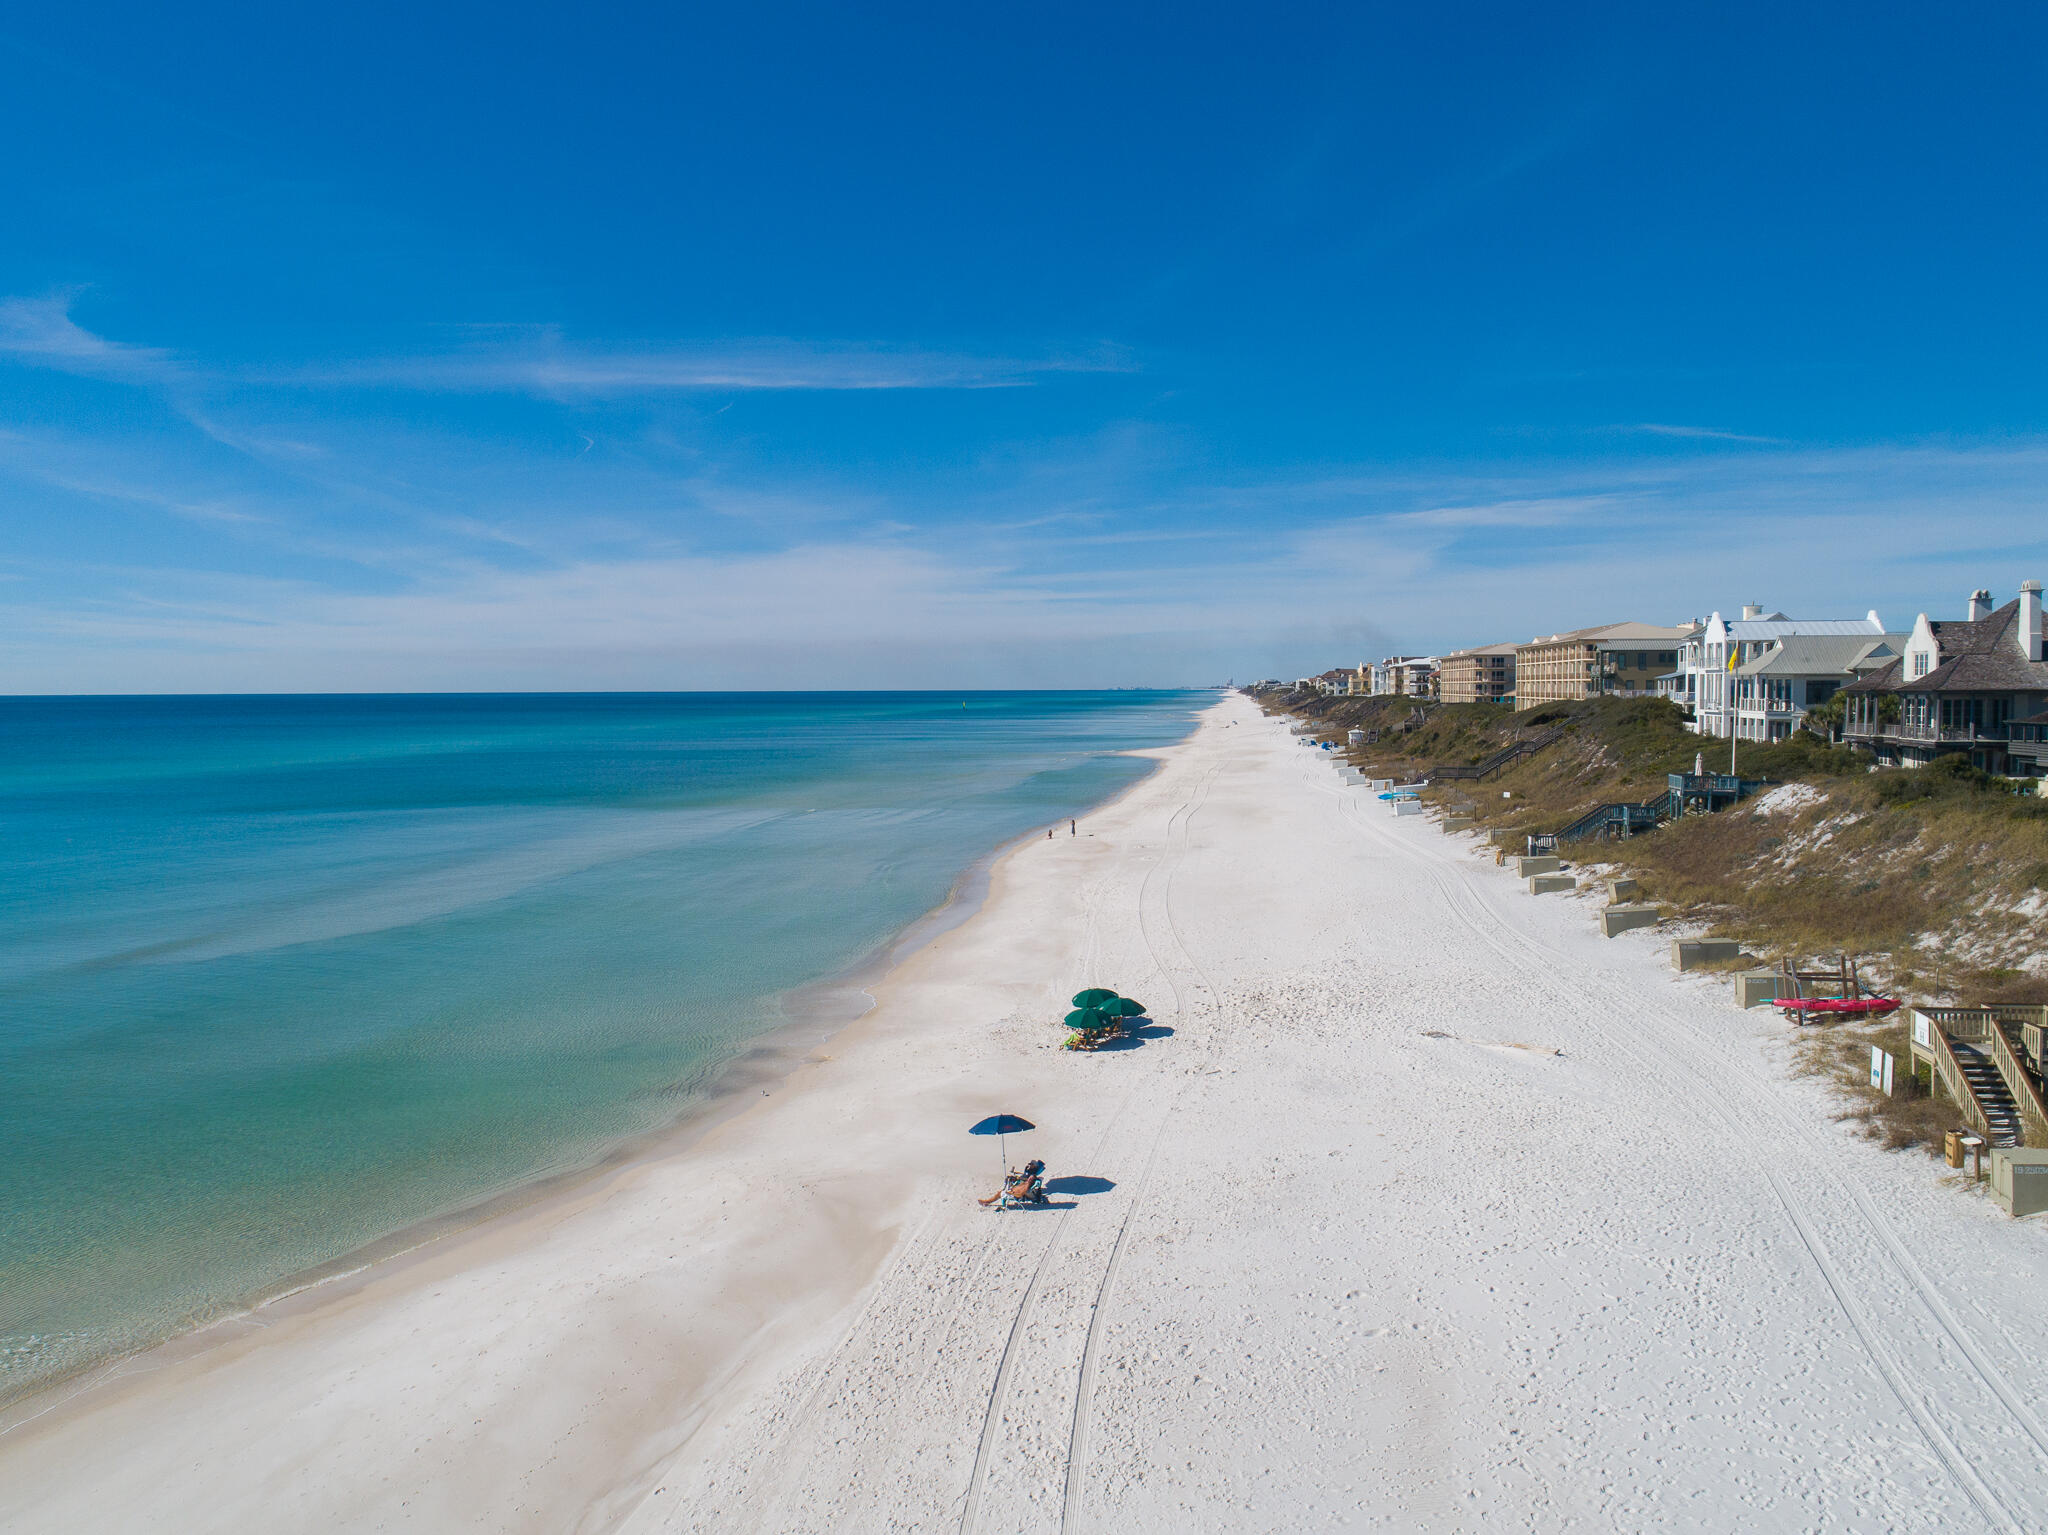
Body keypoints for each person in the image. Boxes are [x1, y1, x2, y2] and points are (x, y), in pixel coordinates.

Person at [979, 1158, 1047, 1208]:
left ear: (1035, 1166)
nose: (1029, 1165)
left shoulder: (1032, 1174)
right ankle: (989, 1200)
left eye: (1031, 1164)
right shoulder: (1029, 1170)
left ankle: (988, 1201)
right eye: (1030, 1164)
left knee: (1001, 1192)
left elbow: (1027, 1180)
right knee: (1005, 1186)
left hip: (1019, 1186)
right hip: (1019, 1184)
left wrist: (1018, 1178)